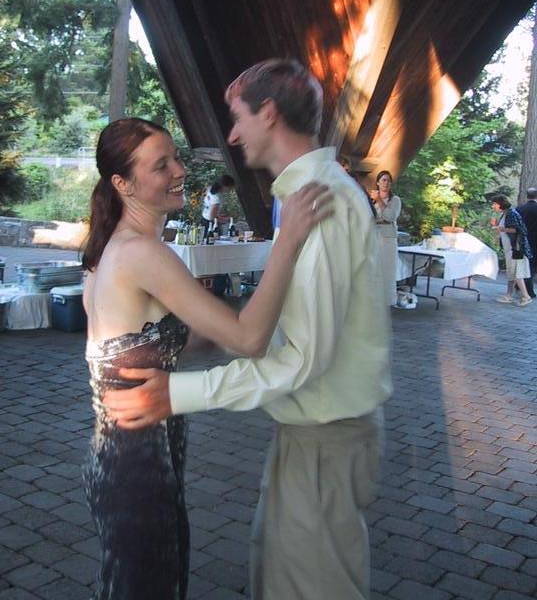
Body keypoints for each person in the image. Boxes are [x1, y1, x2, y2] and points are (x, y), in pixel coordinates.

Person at [104, 58, 393, 600]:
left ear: (270, 113)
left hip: (325, 437)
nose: (233, 136)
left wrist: (179, 393)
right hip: (312, 434)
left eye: (238, 118)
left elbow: (303, 359)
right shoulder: (305, 197)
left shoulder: (319, 202)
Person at [80, 116, 331, 600]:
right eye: (161, 165)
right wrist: (289, 239)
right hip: (137, 470)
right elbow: (249, 339)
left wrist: (211, 335)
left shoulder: (112, 247)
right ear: (122, 183)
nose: (179, 170)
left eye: (176, 157)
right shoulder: (142, 253)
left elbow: (145, 341)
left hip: (119, 462)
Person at [491, 195, 533, 307]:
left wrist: (501, 228)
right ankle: (509, 295)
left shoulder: (511, 213)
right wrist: (498, 227)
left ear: (500, 204)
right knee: (511, 272)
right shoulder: (505, 213)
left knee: (517, 272)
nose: (493, 206)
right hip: (510, 248)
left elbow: (517, 229)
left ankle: (526, 296)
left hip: (516, 248)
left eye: (494, 204)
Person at [370, 170, 402, 306]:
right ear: (378, 182)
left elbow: (390, 217)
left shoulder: (395, 200)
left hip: (388, 238)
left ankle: (388, 300)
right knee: (373, 268)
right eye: (383, 180)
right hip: (373, 237)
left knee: (387, 269)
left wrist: (379, 201)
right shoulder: (371, 200)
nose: (386, 183)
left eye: (389, 181)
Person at [517, 187, 537, 299]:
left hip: (520, 241)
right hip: (534, 241)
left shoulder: (519, 209)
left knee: (521, 264)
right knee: (531, 265)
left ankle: (519, 286)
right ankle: (529, 290)